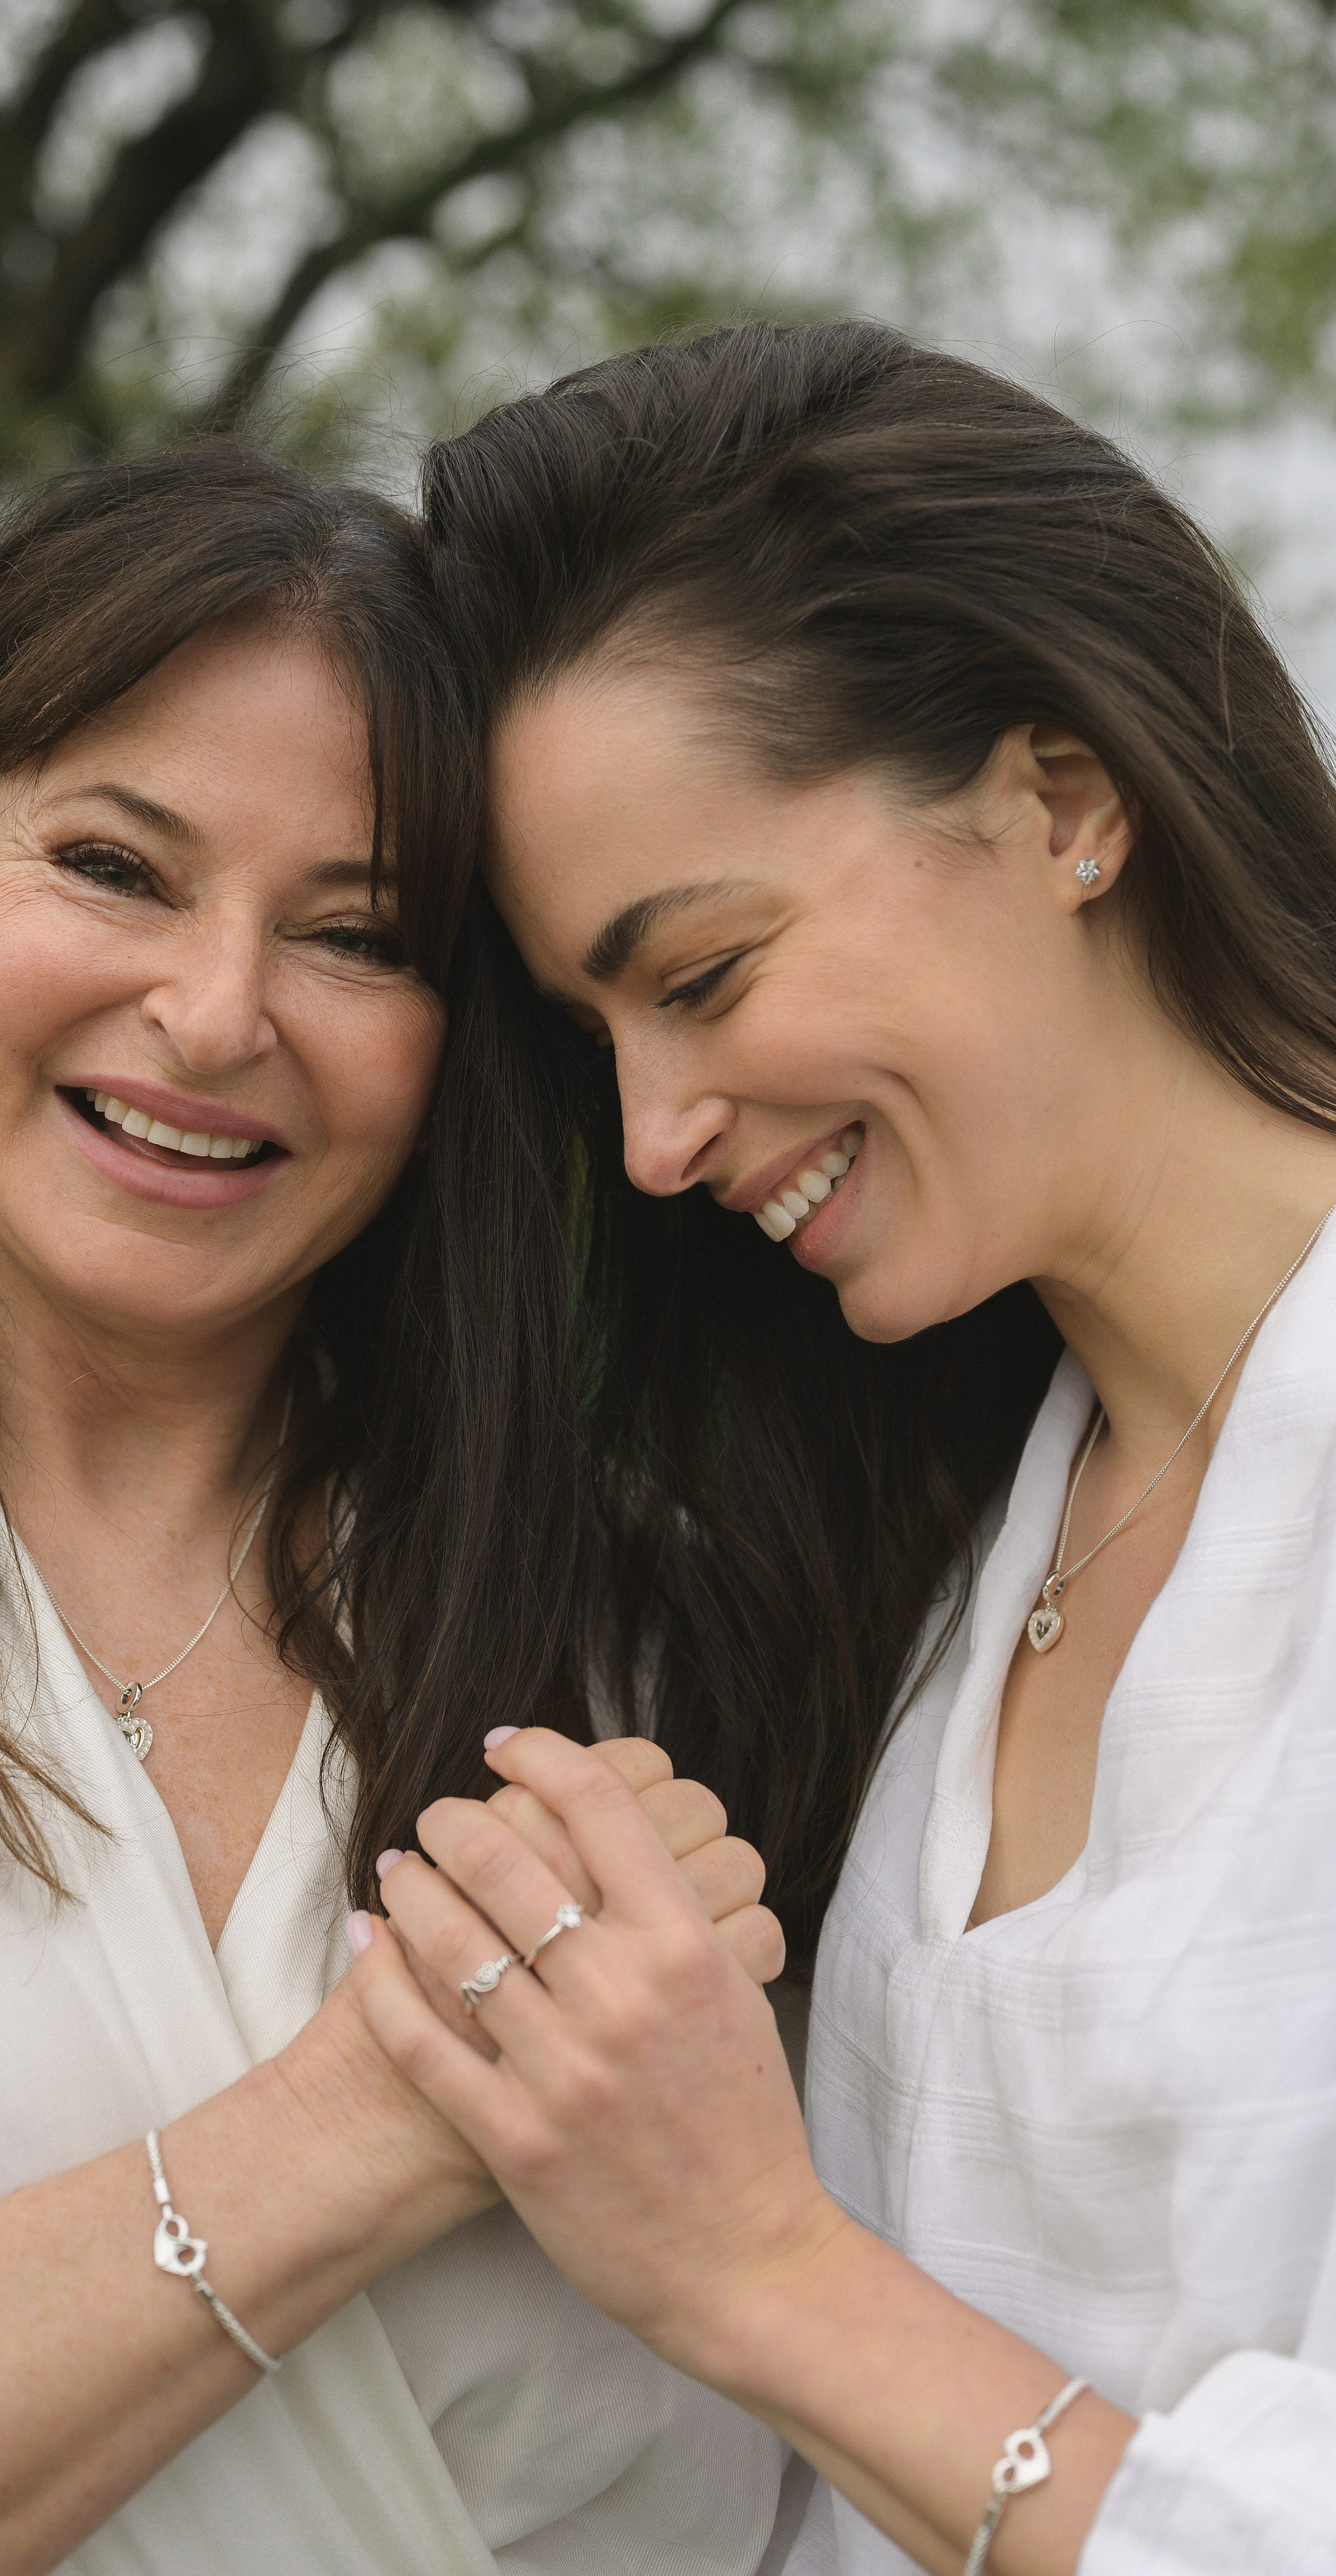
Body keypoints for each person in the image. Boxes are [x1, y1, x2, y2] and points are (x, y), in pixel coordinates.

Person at [0, 443, 786, 2574]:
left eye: (356, 936)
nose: (218, 1012)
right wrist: (359, 2120)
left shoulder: (665, 1630)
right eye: (117, 866)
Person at [350, 322, 1336, 2575]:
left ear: (1065, 802)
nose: (653, 1140)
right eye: (591, 1035)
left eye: (696, 975)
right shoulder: (963, 1544)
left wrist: (756, 2270)